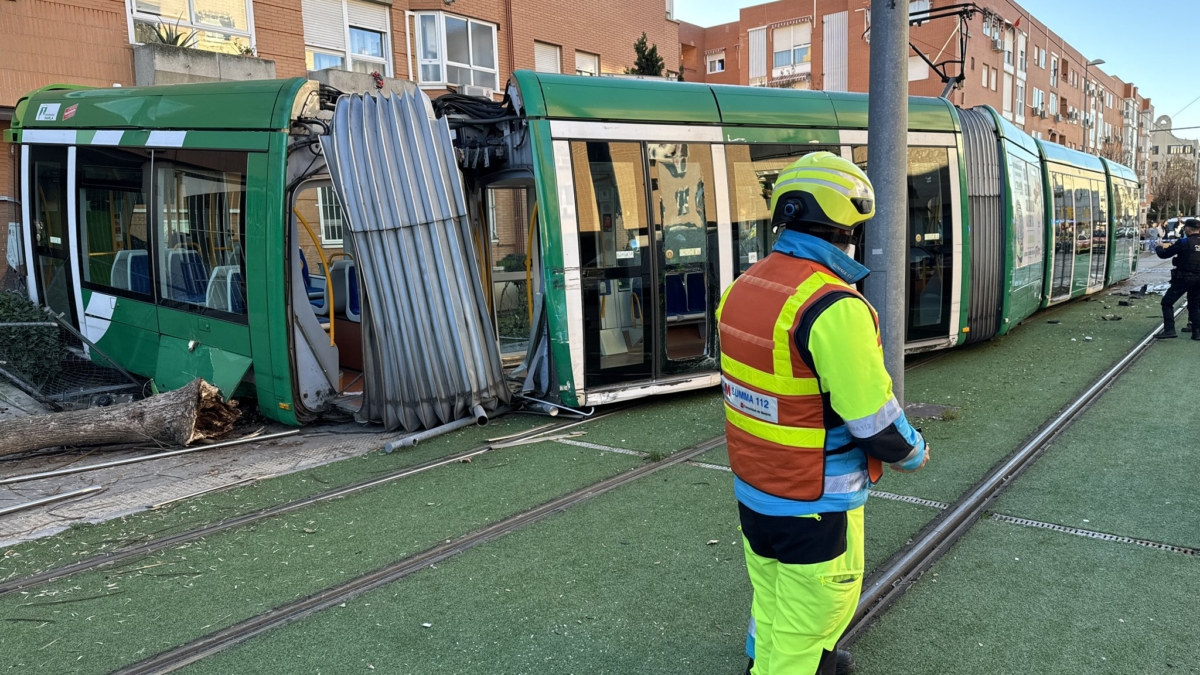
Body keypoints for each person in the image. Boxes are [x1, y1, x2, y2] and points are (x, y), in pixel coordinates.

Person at [716, 152, 930, 675]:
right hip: (815, 501)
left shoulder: (744, 287)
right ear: (848, 220)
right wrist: (915, 452)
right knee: (809, 619)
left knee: (771, 598)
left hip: (755, 490)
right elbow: (875, 424)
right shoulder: (835, 306)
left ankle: (763, 664)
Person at [1155, 218, 1200, 340]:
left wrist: (1158, 247)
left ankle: (1169, 329)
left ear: (1188, 229)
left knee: (1167, 302)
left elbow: (1164, 254)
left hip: (1184, 277)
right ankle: (1197, 332)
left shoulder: (1184, 242)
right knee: (1195, 304)